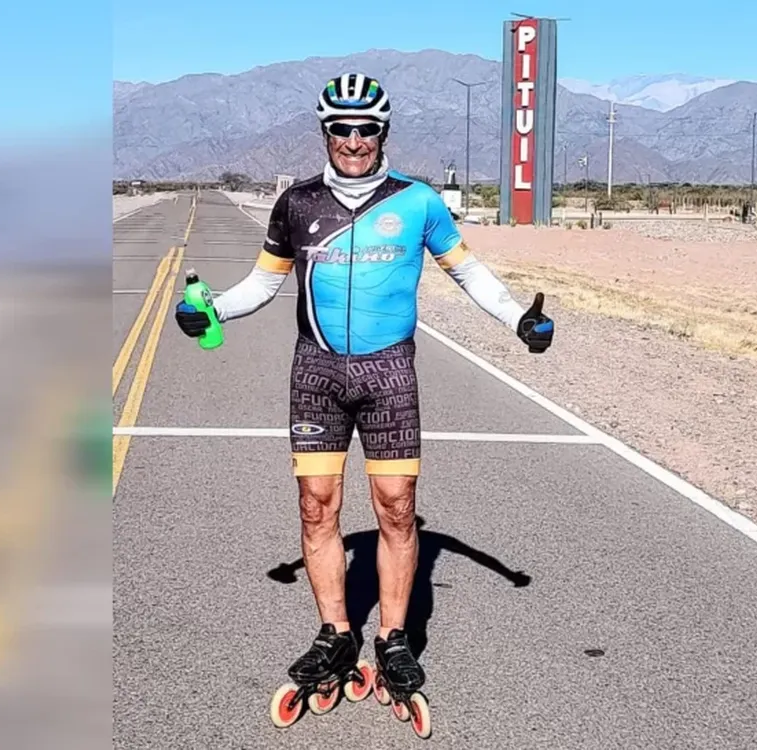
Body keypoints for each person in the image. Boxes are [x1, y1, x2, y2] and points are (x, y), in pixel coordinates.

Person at [174, 73, 553, 713]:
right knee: (316, 507)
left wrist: (518, 318)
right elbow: (262, 285)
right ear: (326, 132)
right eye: (342, 129)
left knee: (398, 509)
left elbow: (468, 273)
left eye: (366, 129)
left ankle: (393, 638)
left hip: (389, 375)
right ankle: (335, 634)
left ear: (384, 132)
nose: (354, 140)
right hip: (316, 374)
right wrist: (213, 308)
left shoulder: (418, 202)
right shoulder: (296, 204)